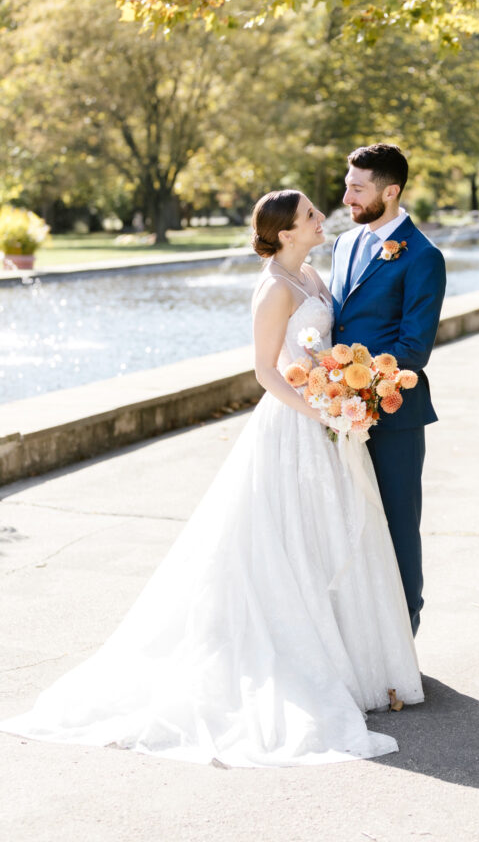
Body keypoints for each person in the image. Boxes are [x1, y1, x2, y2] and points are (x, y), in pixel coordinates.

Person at [0, 190, 423, 768]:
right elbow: (264, 371)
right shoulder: (275, 286)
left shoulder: (313, 277)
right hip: (294, 427)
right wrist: (320, 411)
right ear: (284, 232)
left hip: (328, 424)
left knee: (330, 538)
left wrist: (345, 397)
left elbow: (323, 350)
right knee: (287, 544)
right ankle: (298, 661)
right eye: (309, 216)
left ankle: (350, 660)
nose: (322, 218)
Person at [329, 144, 447, 636]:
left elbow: (413, 348)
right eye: (348, 185)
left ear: (390, 191)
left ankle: (403, 637)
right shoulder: (342, 243)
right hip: (336, 412)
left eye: (358, 188)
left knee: (398, 523)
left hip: (395, 415)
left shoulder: (423, 256)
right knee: (347, 524)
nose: (346, 196)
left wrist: (361, 388)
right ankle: (358, 634)